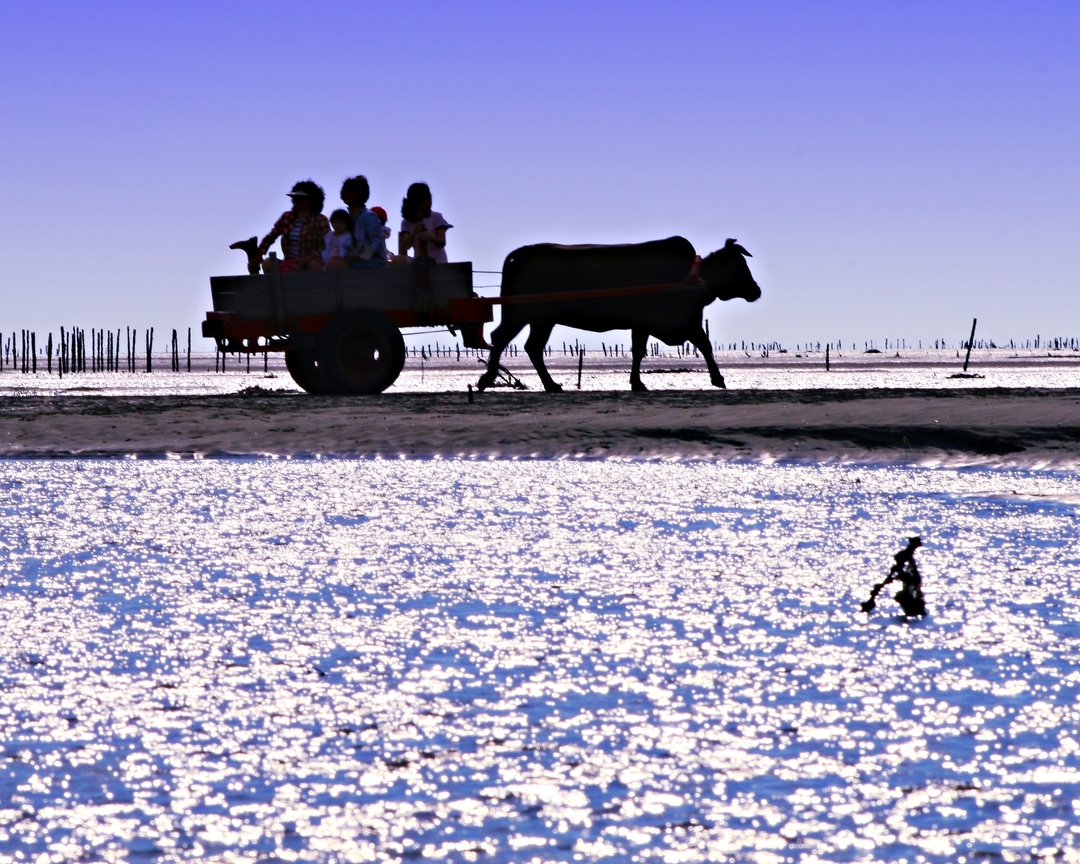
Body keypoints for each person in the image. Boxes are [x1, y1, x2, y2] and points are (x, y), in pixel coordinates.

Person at [256, 180, 330, 272]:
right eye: (295, 197)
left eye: (302, 197)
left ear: (311, 200)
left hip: (310, 263)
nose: (297, 200)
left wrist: (307, 259)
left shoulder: (320, 220)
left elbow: (327, 246)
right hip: (289, 263)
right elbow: (271, 236)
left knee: (314, 265)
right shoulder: (287, 217)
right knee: (268, 263)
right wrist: (259, 254)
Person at [338, 175, 387, 269]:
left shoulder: (369, 216)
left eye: (351, 191)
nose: (347, 194)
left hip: (373, 262)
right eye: (345, 190)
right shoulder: (346, 218)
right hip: (354, 261)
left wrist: (361, 255)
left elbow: (376, 243)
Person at [399, 182, 451, 263]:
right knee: (398, 260)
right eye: (426, 199)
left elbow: (442, 242)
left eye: (430, 197)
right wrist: (414, 232)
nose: (429, 201)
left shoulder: (437, 217)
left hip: (438, 262)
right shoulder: (406, 223)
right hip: (419, 263)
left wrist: (430, 236)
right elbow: (406, 245)